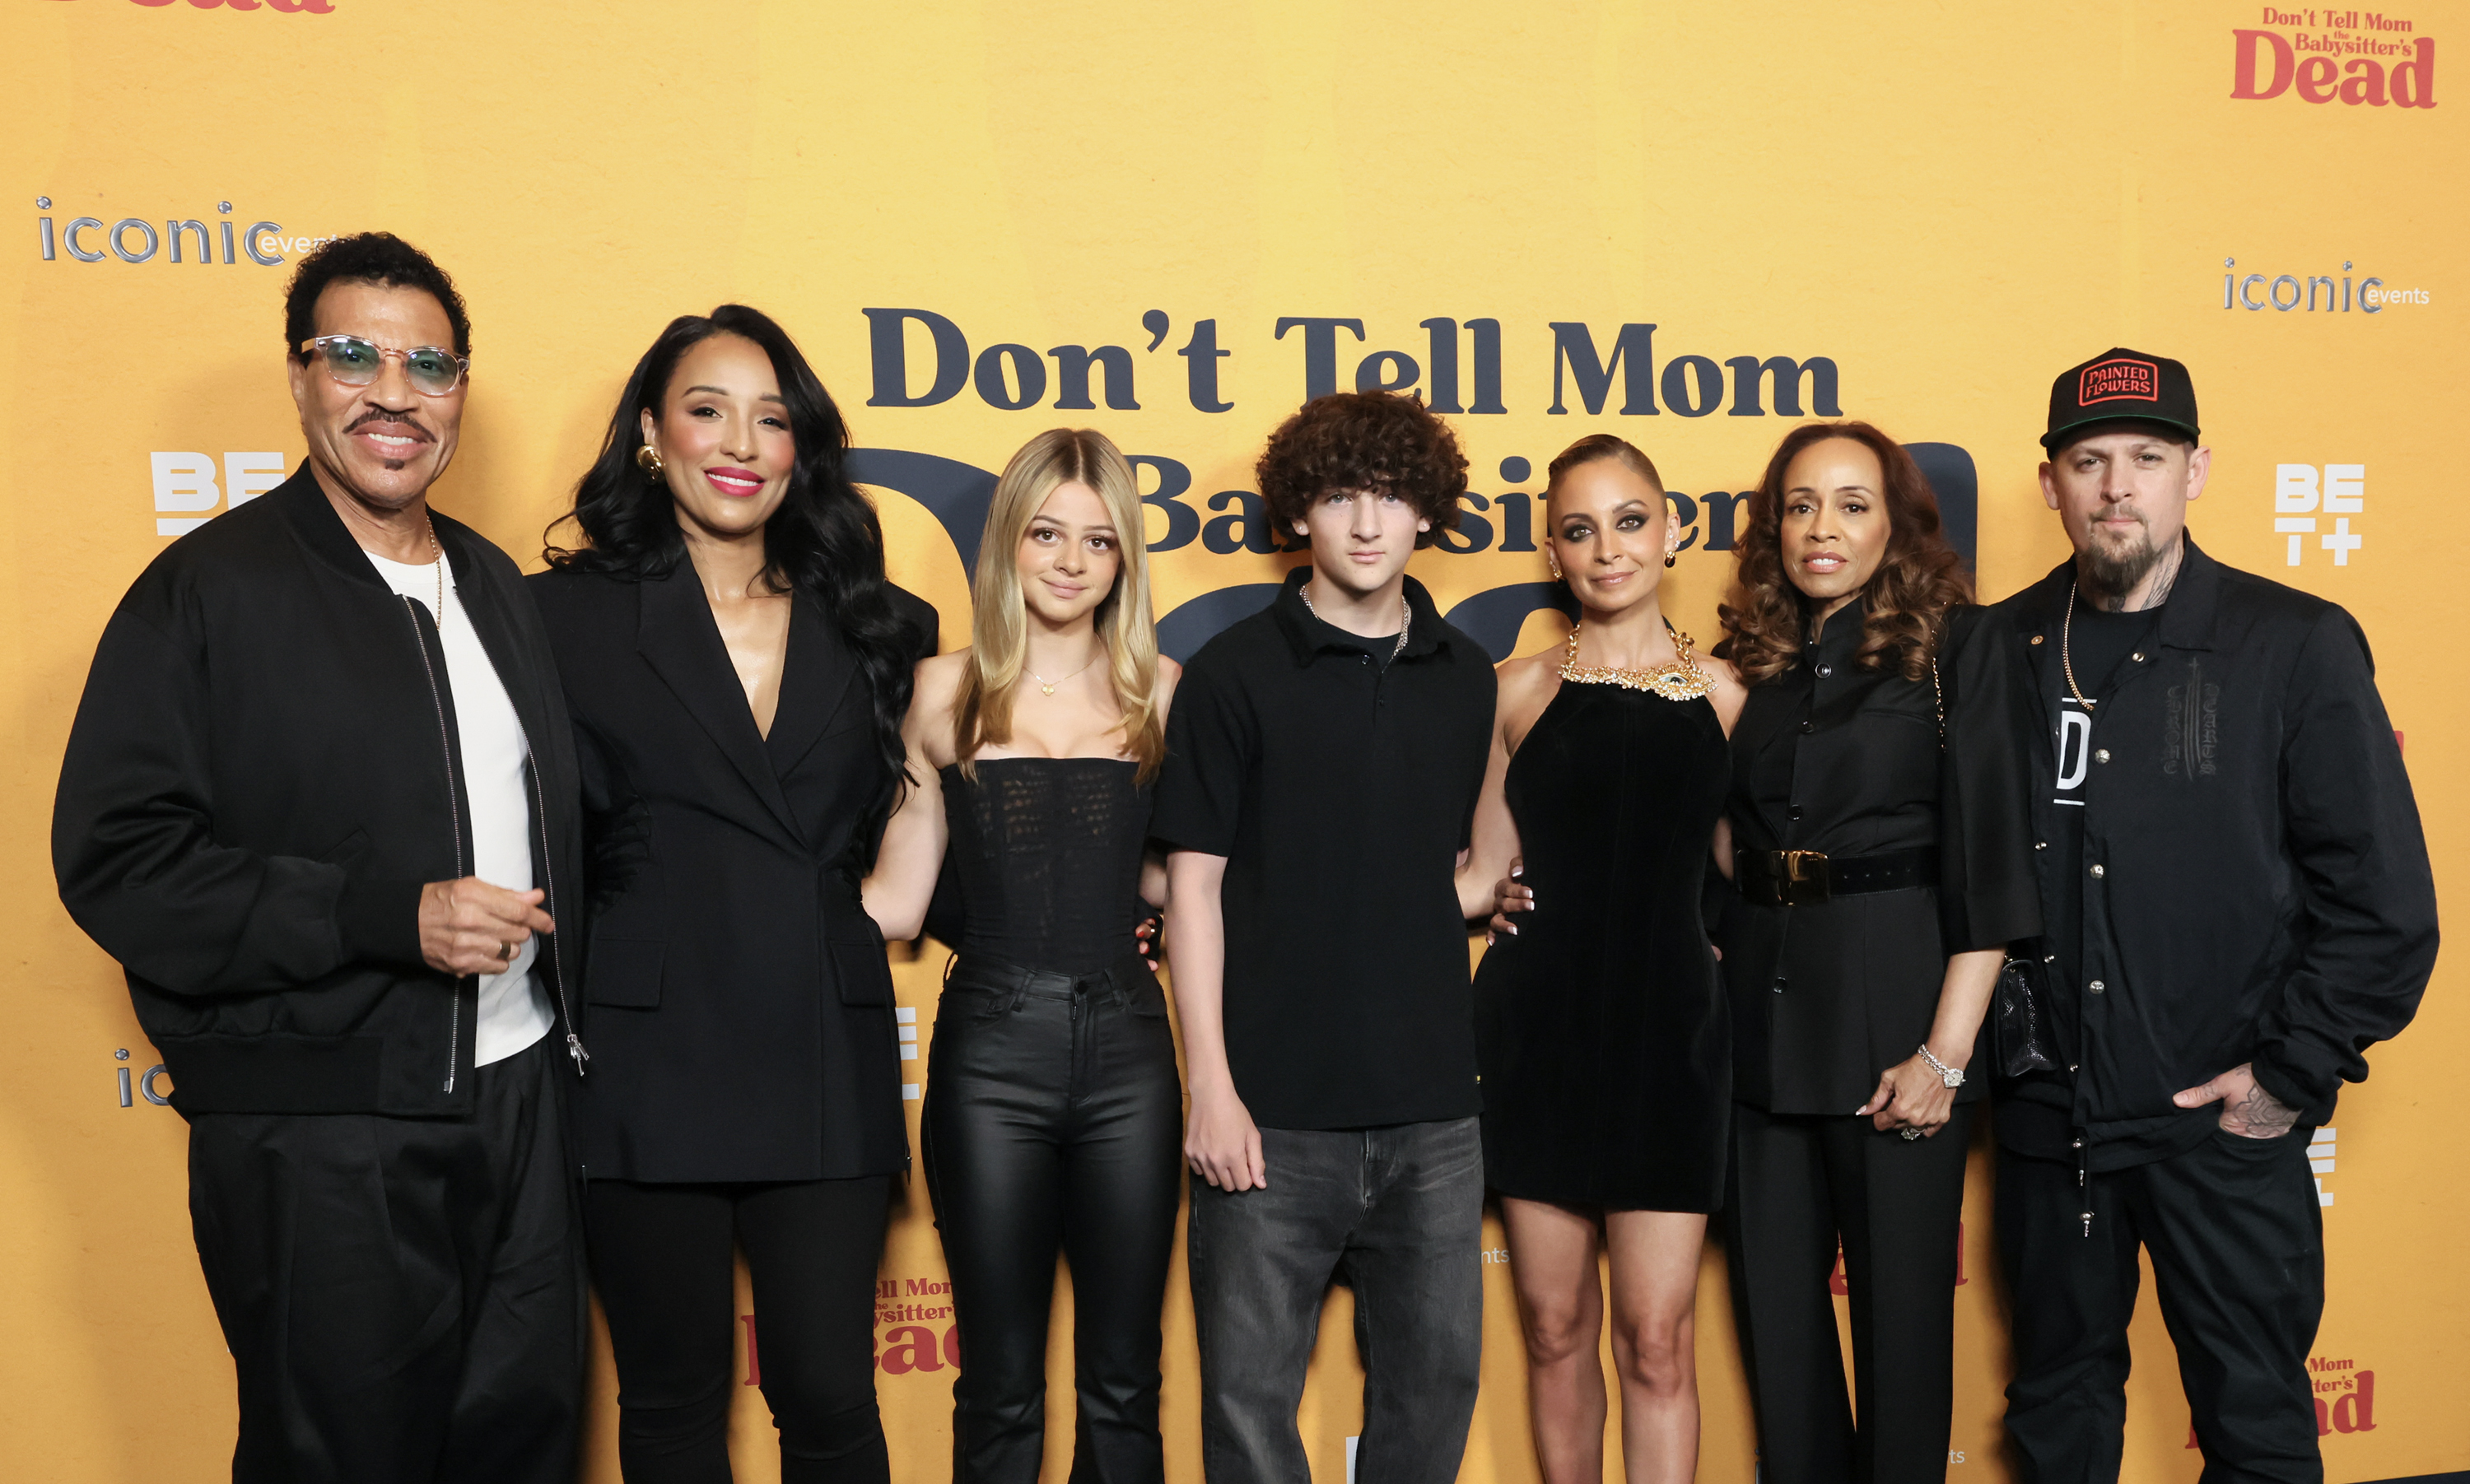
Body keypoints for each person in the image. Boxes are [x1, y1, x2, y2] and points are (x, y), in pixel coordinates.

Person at [53, 232, 588, 1483]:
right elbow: (119, 861)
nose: (393, 393)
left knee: (524, 1445)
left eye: (429, 364)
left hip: (517, 1102)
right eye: (354, 355)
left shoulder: (498, 587)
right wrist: (384, 914)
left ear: (461, 389)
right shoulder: (205, 592)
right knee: (336, 1457)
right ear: (298, 377)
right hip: (321, 1126)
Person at [1989, 350, 2436, 1482]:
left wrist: (2291, 1071)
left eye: (2147, 457)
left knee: (2256, 1422)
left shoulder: (2294, 643)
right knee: (2055, 1418)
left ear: (2197, 470)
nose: (2116, 486)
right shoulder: (1997, 645)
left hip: (2217, 1120)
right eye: (2089, 461)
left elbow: (2385, 898)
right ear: (2052, 484)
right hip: (2053, 1125)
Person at [528, 306, 937, 1484]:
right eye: (707, 409)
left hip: (822, 1028)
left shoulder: (885, 625)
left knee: (827, 1390)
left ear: (801, 448)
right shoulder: (558, 617)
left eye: (773, 419)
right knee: (668, 1394)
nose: (740, 442)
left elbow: (932, 815)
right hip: (643, 1042)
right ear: (653, 432)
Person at [1153, 391, 1497, 1484]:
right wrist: (1210, 1084)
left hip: (1435, 1113)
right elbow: (1191, 891)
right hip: (1272, 1115)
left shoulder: (1467, 674)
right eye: (1339, 495)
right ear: (1299, 509)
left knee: (1433, 1394)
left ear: (1426, 514)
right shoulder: (1232, 674)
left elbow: (1461, 866)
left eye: (1390, 497)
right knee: (1251, 1413)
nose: (1364, 523)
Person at [863, 428, 1182, 1484]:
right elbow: (898, 901)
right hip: (988, 1057)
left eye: (1098, 540)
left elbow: (1191, 881)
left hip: (1132, 1057)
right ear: (1009, 542)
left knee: (1125, 1382)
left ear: (1124, 558)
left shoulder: (1165, 695)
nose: (1070, 560)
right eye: (1047, 532)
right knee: (999, 1382)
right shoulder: (939, 693)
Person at [1458, 435, 1745, 1484]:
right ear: (1551, 548)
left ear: (1674, 533)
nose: (1608, 548)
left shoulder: (1725, 694)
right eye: (1580, 529)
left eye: (1630, 522)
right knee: (1552, 1325)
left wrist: (1728, 935)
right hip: (1539, 1032)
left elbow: (1744, 875)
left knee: (1658, 1340)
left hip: (1673, 1040)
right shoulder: (1513, 690)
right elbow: (1482, 872)